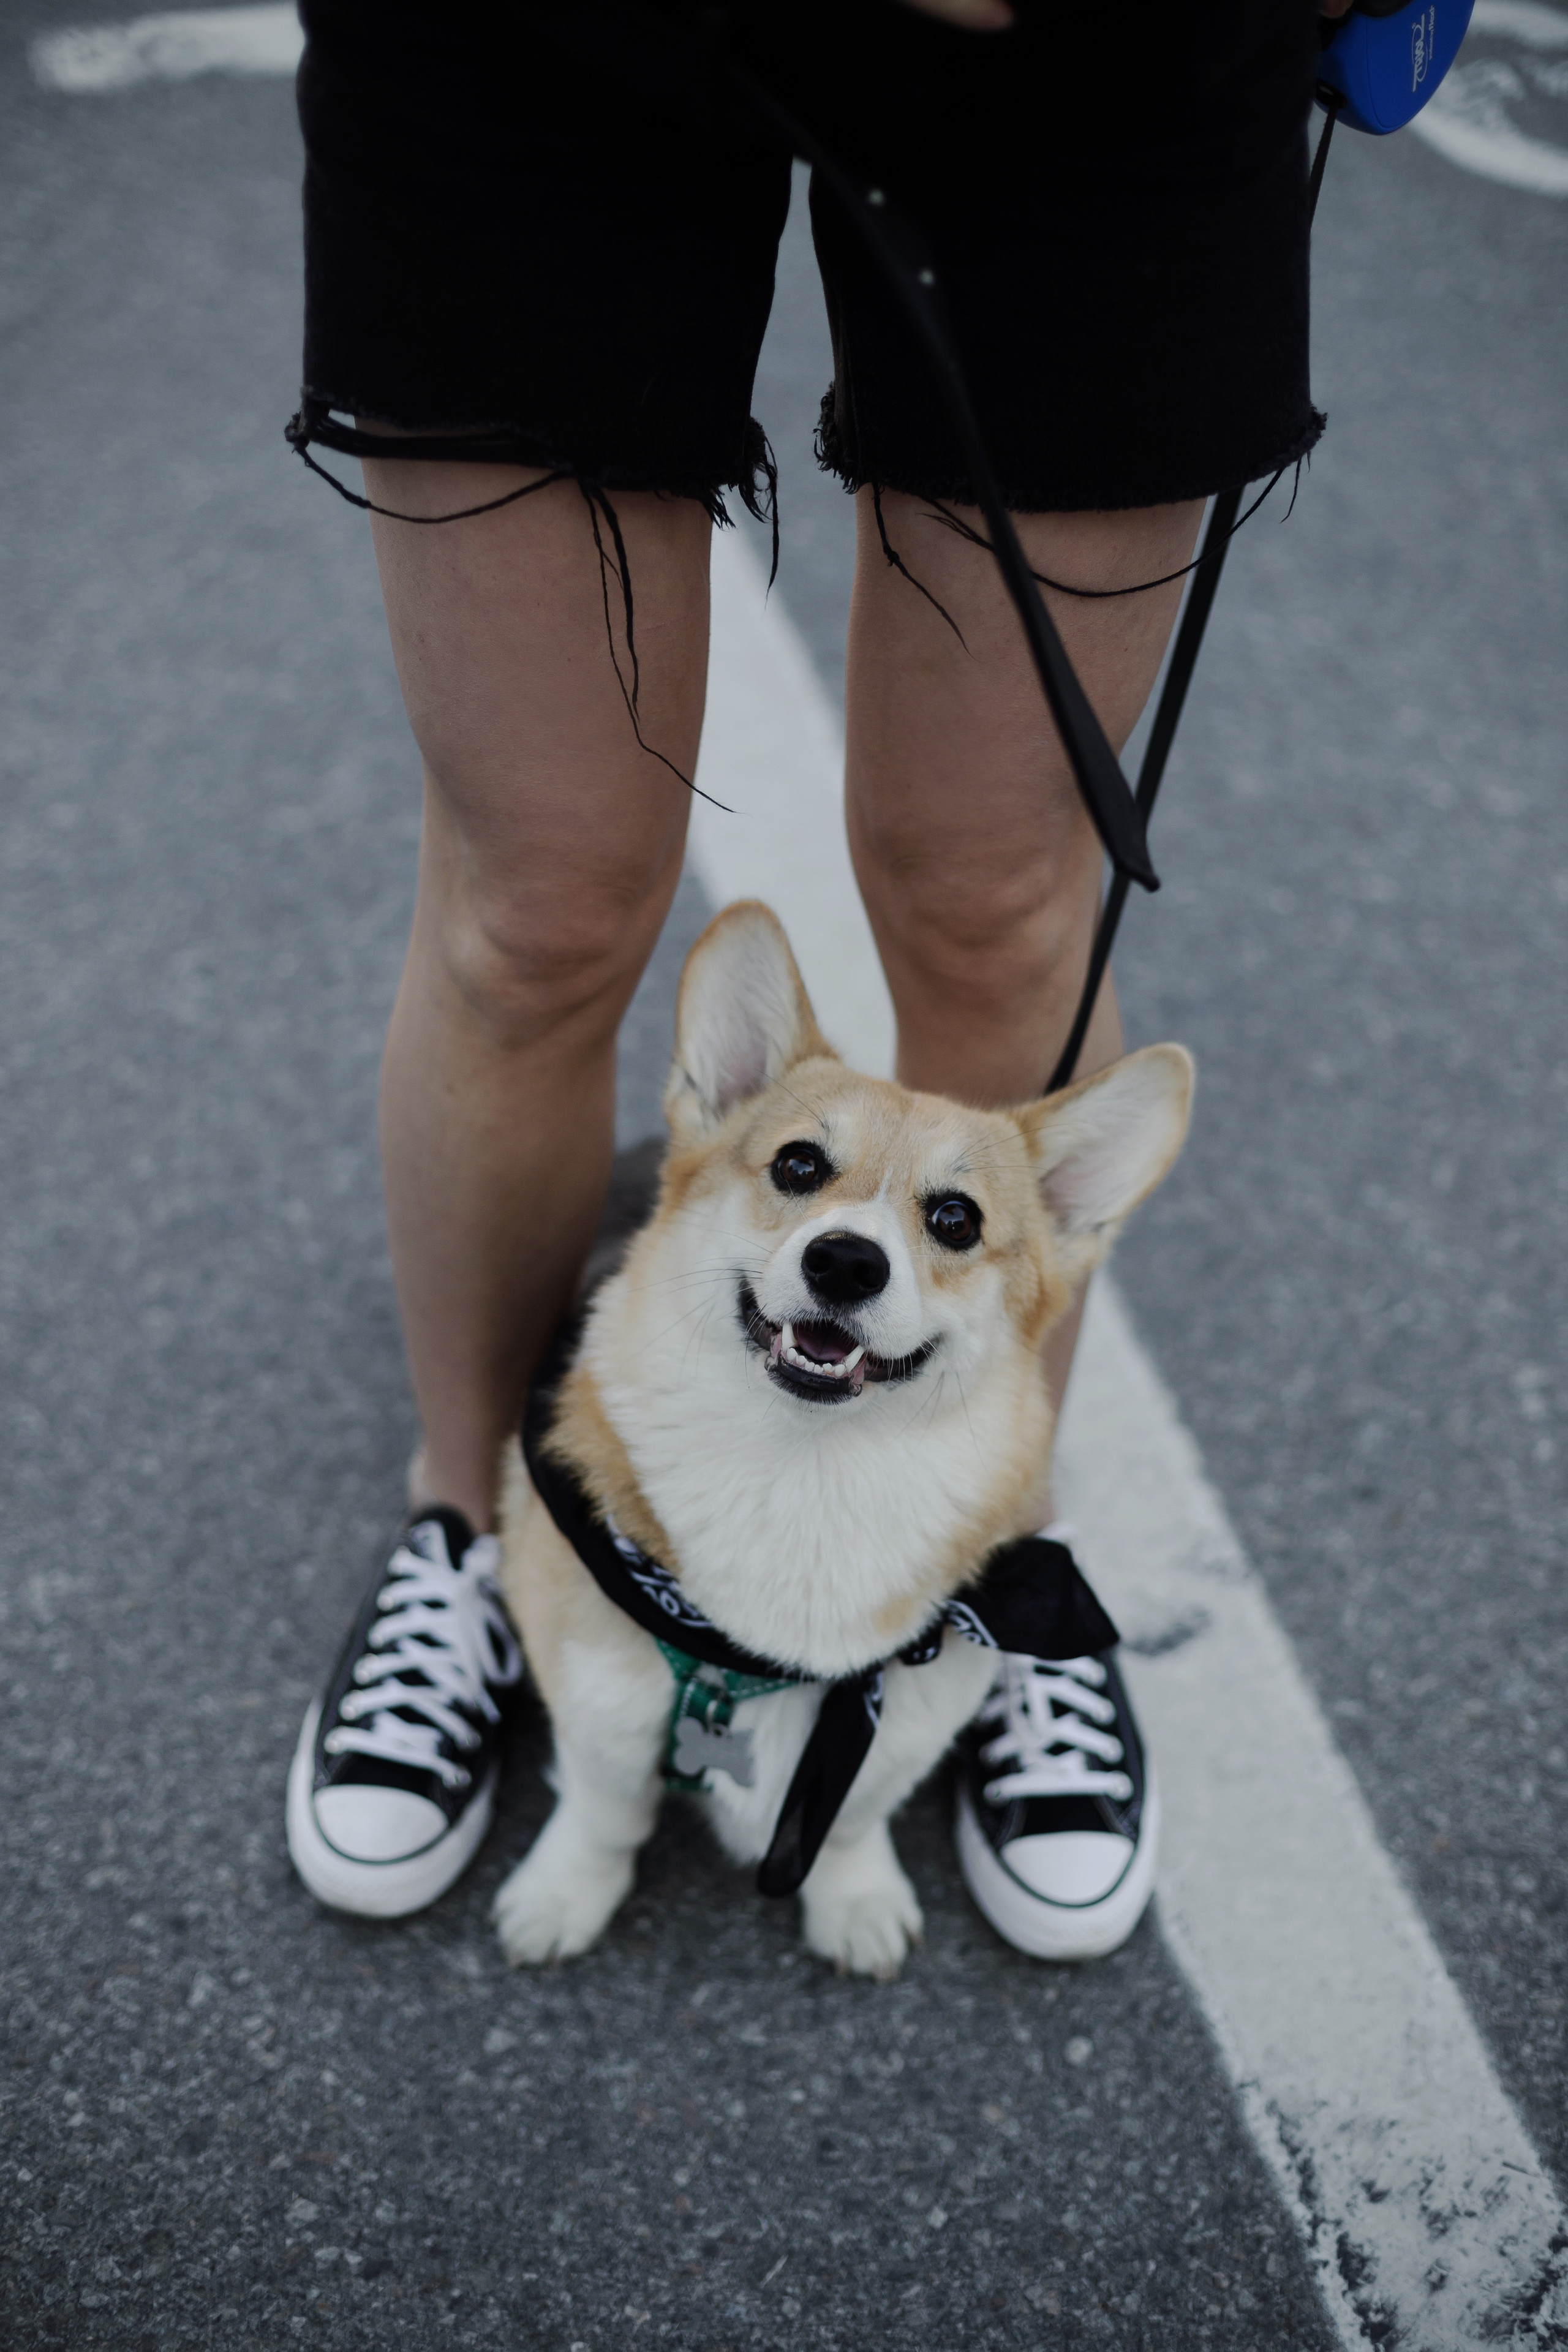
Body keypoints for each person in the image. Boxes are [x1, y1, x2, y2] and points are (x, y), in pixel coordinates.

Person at [283, 0, 1336, 1946]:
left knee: (997, 900)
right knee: (540, 907)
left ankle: (975, 1566)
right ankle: (475, 1528)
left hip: (1096, 51)